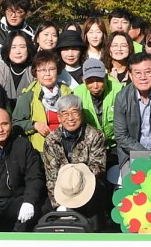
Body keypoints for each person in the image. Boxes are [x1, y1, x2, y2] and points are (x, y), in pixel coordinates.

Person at [42, 94, 108, 229]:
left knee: (95, 218)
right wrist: (59, 204)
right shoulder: (51, 140)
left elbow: (98, 167)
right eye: (65, 114)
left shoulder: (95, 135)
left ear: (81, 114)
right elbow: (51, 176)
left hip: (89, 188)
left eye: (74, 112)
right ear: (59, 117)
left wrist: (78, 177)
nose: (70, 118)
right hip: (63, 191)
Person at [13, 50, 74, 152]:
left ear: (58, 70)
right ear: (35, 72)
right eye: (42, 70)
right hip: (39, 151)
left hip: (66, 148)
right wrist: (34, 125)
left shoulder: (67, 93)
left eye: (51, 69)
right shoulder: (29, 95)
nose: (47, 74)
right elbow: (15, 123)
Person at [77, 58, 120, 153]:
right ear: (83, 81)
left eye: (99, 80)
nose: (95, 86)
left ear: (106, 77)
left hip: (116, 145)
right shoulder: (77, 94)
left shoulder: (119, 91)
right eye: (90, 81)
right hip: (90, 146)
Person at [0, 30, 34, 102]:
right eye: (13, 47)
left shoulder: (34, 70)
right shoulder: (1, 70)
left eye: (22, 47)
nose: (18, 51)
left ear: (28, 49)